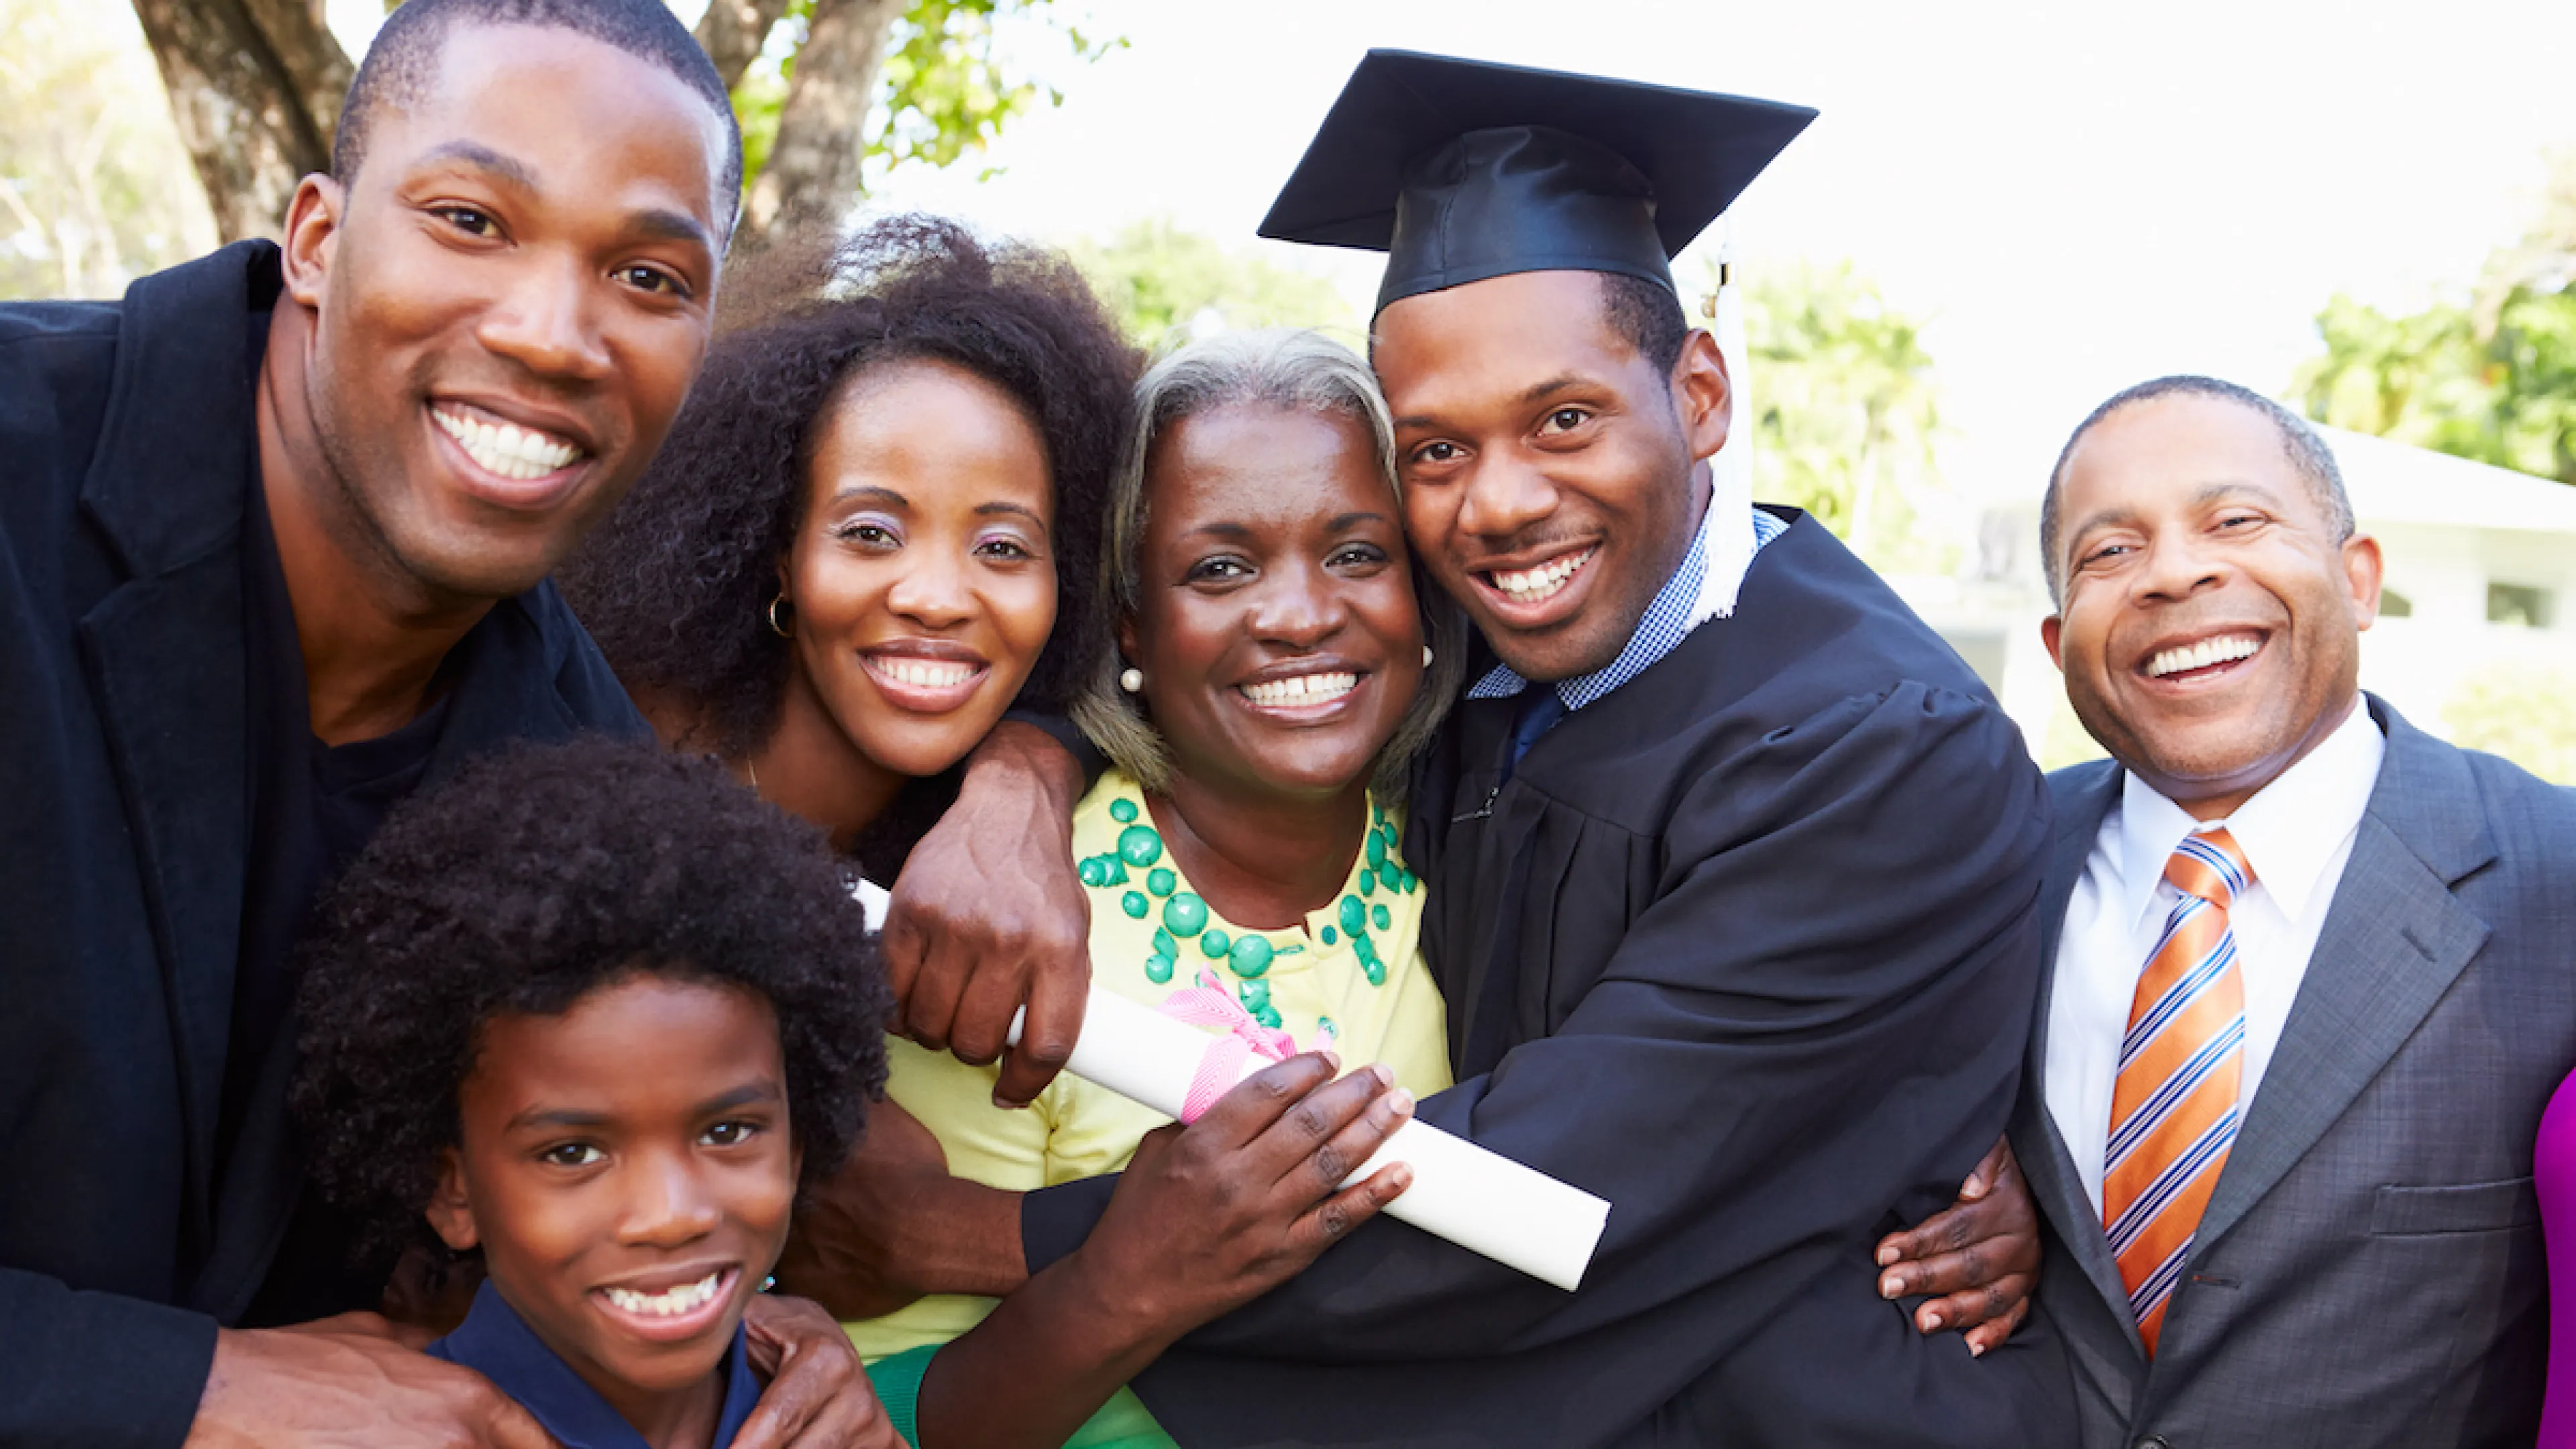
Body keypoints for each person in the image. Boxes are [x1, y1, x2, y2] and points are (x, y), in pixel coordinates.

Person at [857, 50, 2079, 1445]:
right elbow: (1224, 655)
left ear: (1698, 395)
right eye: (1433, 450)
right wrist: (1015, 776)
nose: (1498, 505)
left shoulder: (1873, 747)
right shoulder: (1479, 667)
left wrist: (985, 1240)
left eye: (1564, 420)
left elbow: (1549, 1199)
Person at [0, 1, 874, 1443]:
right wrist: (188, 1386)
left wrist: (730, 1342)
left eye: (648, 274)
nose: (551, 334)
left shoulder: (577, 773)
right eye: (472, 218)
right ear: (319, 240)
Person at [845, 329, 1467, 1445]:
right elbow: (891, 1405)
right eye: (1220, 567)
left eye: (1357, 554)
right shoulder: (1016, 921)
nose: (1298, 615)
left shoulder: (1470, 855)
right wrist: (1127, 1284)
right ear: (1130, 619)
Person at [2007, 374, 2576, 1446]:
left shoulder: (2560, 879)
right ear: (2056, 641)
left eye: (2237, 520)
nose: (2176, 573)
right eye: (2110, 552)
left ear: (2358, 580)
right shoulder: (1973, 872)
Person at [292, 739, 895, 1449]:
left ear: (797, 1149)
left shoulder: (842, 1428)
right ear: (451, 1191)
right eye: (572, 1152)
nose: (669, 1217)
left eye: (728, 1132)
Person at [557, 214, 1136, 879]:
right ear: (783, 555)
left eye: (1002, 548)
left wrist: (1027, 778)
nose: (936, 600)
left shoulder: (1058, 847)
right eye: (870, 534)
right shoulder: (593, 723)